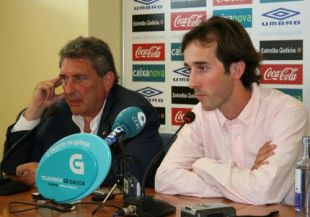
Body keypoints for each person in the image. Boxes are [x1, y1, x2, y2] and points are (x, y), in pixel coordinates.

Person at [155, 16, 309, 205]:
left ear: (236, 70)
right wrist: (247, 178)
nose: (191, 82)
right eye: (189, 69)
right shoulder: (200, 115)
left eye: (202, 68)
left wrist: (201, 165)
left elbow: (263, 192)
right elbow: (163, 178)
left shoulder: (288, 113)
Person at [2, 36, 162, 187]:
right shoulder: (56, 112)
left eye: (79, 78)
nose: (69, 90)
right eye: (64, 79)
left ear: (107, 81)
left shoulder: (134, 113)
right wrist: (34, 110)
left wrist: (54, 173)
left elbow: (135, 173)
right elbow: (13, 167)